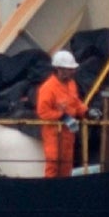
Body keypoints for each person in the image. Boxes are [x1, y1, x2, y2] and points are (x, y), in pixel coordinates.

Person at [33, 48, 87, 178]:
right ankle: (49, 193)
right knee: (53, 164)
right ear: (59, 69)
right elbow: (43, 112)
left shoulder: (71, 84)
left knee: (66, 166)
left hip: (68, 133)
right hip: (53, 134)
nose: (73, 71)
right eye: (70, 69)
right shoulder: (48, 88)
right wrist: (62, 116)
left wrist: (87, 111)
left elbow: (75, 102)